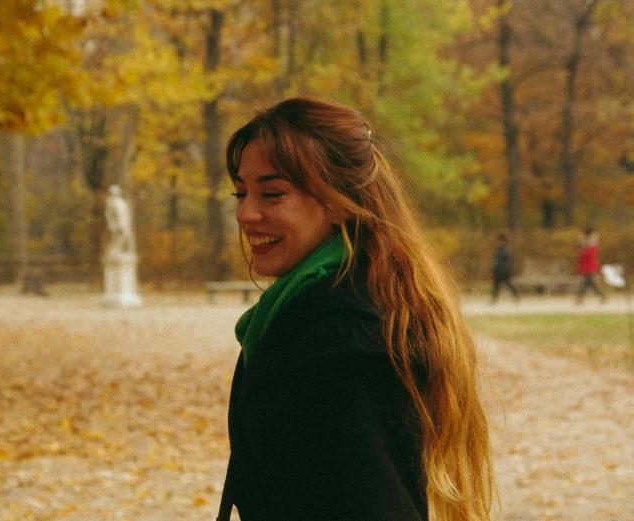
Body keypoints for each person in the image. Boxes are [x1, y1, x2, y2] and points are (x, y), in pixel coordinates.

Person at [216, 98, 493, 521]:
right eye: (241, 192)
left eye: (272, 194)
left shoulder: (342, 336)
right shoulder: (326, 308)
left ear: (340, 201)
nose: (245, 213)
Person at [576, 227, 605, 304]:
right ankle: (602, 296)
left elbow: (588, 255)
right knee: (589, 283)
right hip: (587, 266)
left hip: (589, 266)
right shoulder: (587, 243)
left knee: (586, 283)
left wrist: (583, 249)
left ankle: (580, 298)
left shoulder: (591, 244)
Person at [490, 232, 519, 303]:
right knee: (497, 285)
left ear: (502, 241)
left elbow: (500, 261)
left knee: (507, 284)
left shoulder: (505, 250)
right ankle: (494, 299)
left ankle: (516, 296)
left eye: (498, 240)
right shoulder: (499, 249)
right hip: (499, 271)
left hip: (503, 271)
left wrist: (494, 267)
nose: (497, 242)